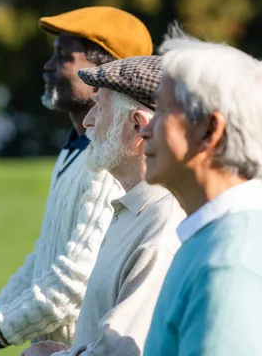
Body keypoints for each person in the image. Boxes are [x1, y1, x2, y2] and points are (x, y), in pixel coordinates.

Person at [0, 6, 154, 356]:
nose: (48, 66)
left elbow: (72, 282)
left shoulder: (109, 163)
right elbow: (43, 261)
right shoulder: (76, 150)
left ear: (106, 74)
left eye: (63, 57)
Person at [141, 27, 262, 355]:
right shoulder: (220, 240)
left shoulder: (232, 266)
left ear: (210, 130)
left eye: (162, 110)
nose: (146, 127)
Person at [21, 55, 186, 356]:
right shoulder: (136, 211)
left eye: (102, 107)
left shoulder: (162, 227)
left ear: (138, 127)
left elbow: (122, 351)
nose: (87, 121)